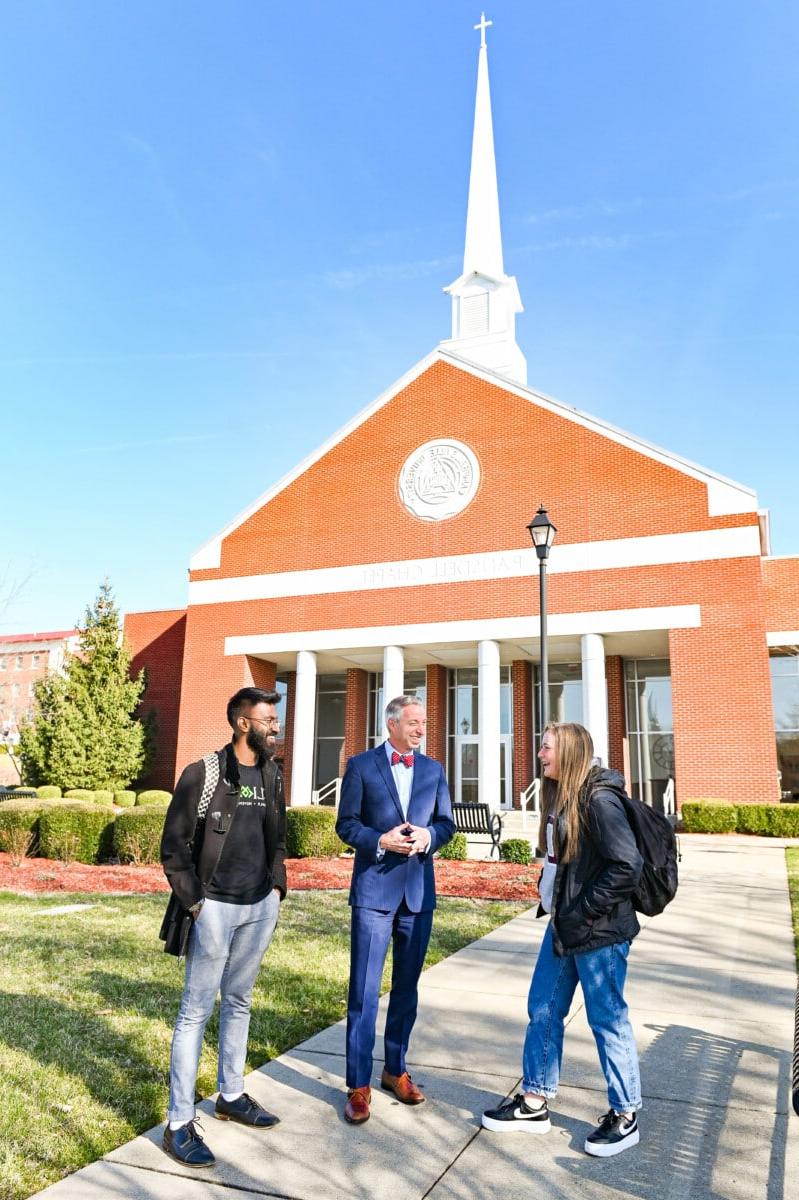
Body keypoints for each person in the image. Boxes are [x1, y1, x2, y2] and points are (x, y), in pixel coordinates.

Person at [482, 722, 644, 1157]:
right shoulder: (563, 797)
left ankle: (626, 1115)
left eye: (546, 747)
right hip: (565, 926)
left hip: (598, 931)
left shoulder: (599, 800)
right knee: (544, 1009)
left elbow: (626, 865)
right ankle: (534, 1102)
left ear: (568, 752)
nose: (539, 753)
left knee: (607, 1019)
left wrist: (583, 907)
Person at [160, 686, 287, 1167]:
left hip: (259, 906)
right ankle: (177, 1123)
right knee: (195, 1012)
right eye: (268, 719)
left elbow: (279, 838)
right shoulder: (203, 773)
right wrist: (197, 905)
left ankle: (230, 1094)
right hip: (214, 907)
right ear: (242, 724)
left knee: (239, 1000)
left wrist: (276, 887)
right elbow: (173, 847)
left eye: (275, 719)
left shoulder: (273, 774)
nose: (275, 726)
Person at [335, 695, 455, 1124]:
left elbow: (446, 824)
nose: (422, 729)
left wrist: (428, 836)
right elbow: (345, 824)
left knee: (406, 990)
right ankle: (358, 1085)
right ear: (392, 724)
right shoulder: (362, 766)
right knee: (364, 994)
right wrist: (379, 841)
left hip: (418, 896)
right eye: (414, 722)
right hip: (373, 893)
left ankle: (395, 1070)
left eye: (424, 722)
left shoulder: (434, 770)